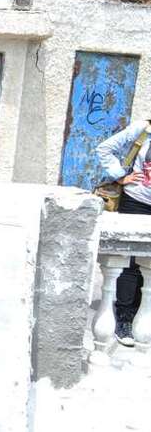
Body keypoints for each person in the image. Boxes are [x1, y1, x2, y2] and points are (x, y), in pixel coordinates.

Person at [96, 119, 151, 347]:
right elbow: (104, 148)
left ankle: (140, 313)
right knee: (130, 263)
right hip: (136, 202)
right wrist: (120, 175)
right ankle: (124, 318)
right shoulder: (144, 129)